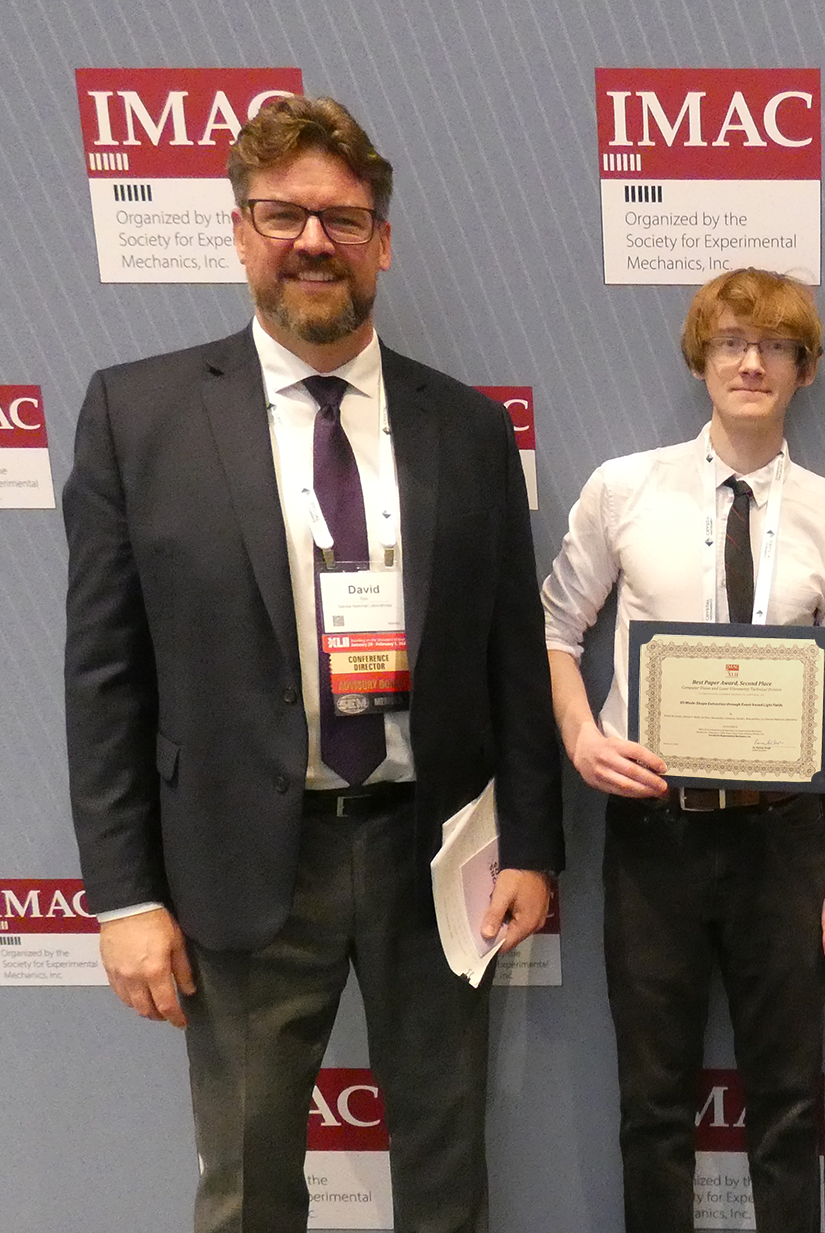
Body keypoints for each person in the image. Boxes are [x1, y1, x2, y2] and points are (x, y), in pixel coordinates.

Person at [62, 95, 563, 1233]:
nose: (313, 242)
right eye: (282, 214)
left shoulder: (468, 428)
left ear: (382, 241)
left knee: (447, 1177)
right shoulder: (138, 415)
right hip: (237, 862)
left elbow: (509, 656)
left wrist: (532, 844)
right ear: (240, 232)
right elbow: (103, 676)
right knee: (246, 1185)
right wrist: (124, 895)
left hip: (434, 854)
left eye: (343, 218)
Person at [541, 268, 825, 1233]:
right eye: (731, 341)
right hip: (656, 833)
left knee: (789, 1105)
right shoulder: (624, 488)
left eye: (775, 346)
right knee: (653, 1104)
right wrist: (582, 736)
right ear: (701, 359)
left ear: (804, 369)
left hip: (785, 842)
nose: (751, 362)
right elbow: (555, 628)